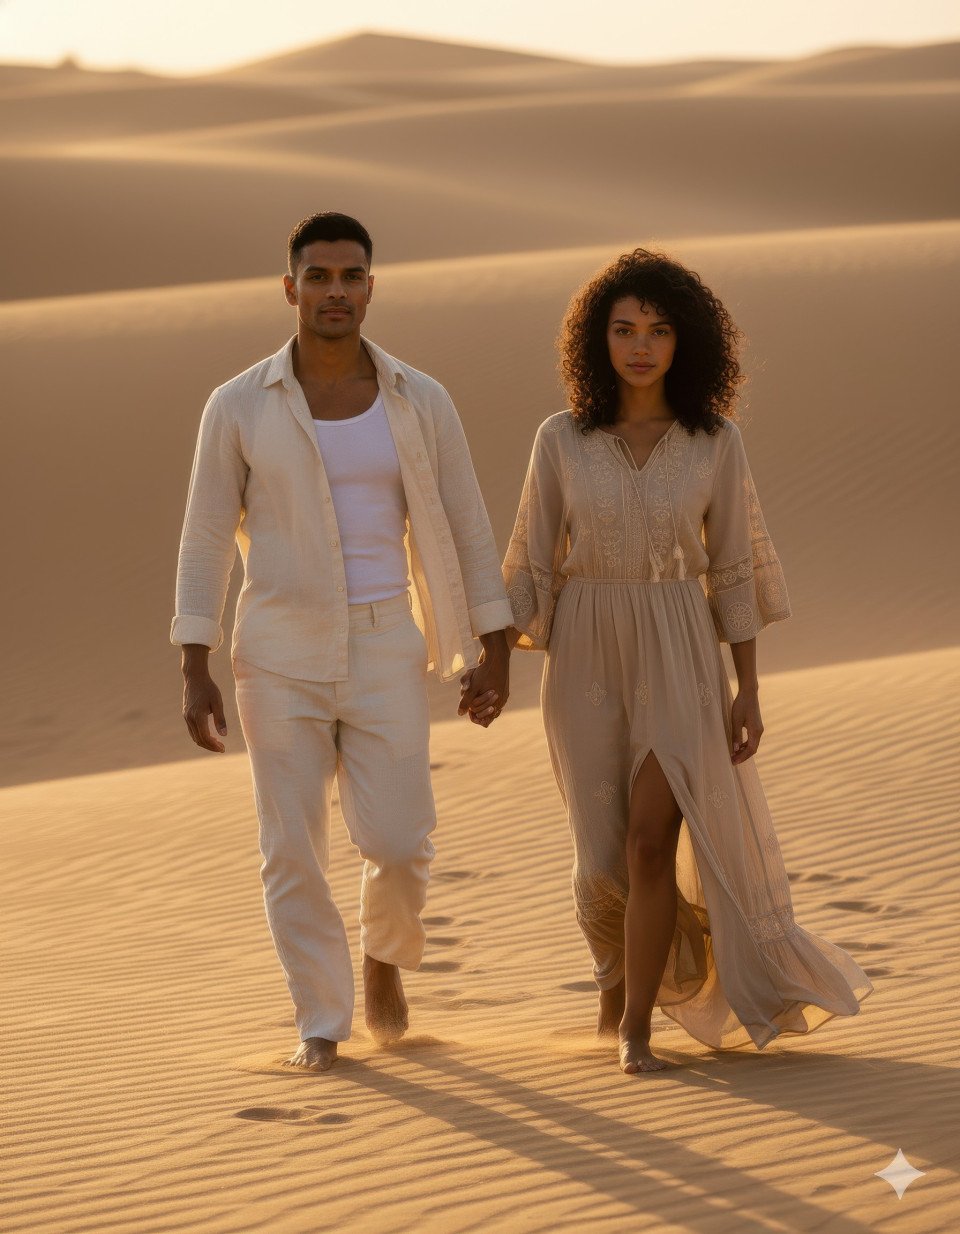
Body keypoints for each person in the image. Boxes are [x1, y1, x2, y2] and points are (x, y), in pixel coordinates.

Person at [469, 248, 873, 1074]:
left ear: (686, 340)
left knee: (654, 841)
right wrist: (496, 666)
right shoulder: (561, 440)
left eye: (657, 329)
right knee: (602, 859)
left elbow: (732, 568)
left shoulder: (714, 441)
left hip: (683, 647)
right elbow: (531, 564)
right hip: (583, 649)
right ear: (597, 341)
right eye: (623, 329)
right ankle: (616, 982)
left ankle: (636, 1031)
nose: (641, 346)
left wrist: (749, 688)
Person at [171, 211, 512, 1072]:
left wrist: (493, 645)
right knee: (290, 846)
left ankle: (381, 960)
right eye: (317, 277)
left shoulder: (420, 399)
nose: (335, 292)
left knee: (399, 841)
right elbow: (206, 535)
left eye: (350, 276)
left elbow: (470, 524)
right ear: (290, 288)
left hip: (387, 640)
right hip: (276, 648)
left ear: (371, 287)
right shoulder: (238, 403)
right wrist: (194, 664)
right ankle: (320, 1022)